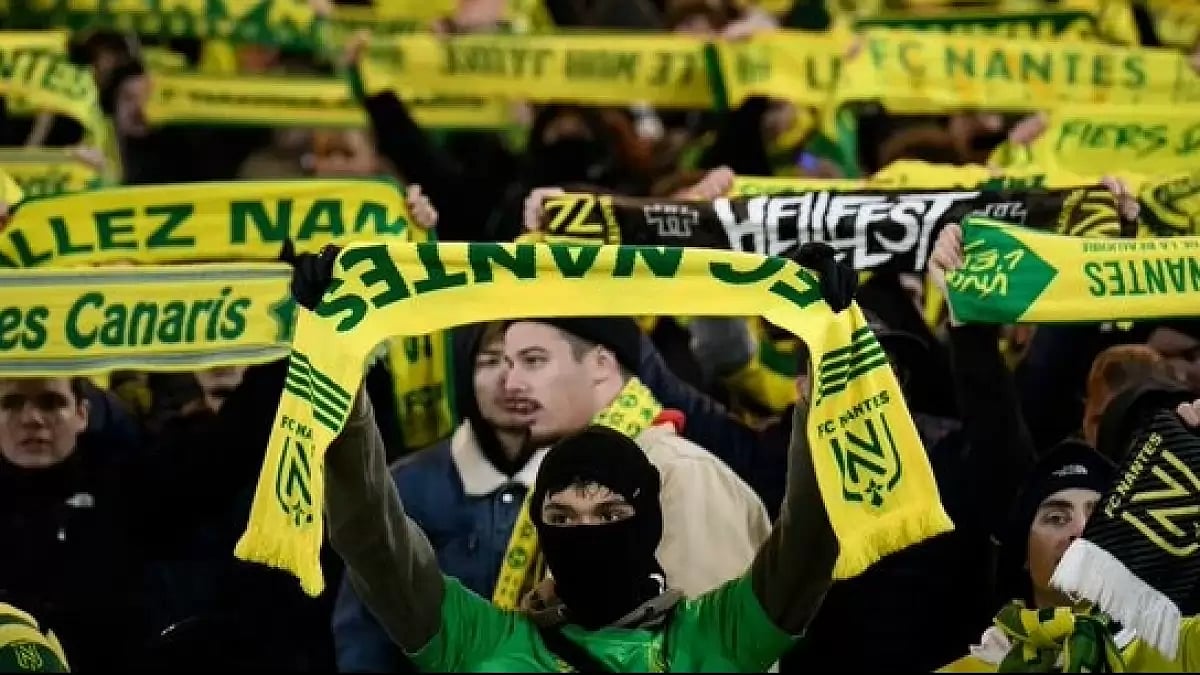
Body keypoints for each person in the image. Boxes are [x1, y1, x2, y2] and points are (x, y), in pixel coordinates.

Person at [321, 243, 861, 671]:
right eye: (560, 518)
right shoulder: (491, 643)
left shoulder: (709, 632)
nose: (511, 381)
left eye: (609, 514)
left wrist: (824, 349)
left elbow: (809, 544)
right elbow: (374, 543)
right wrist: (338, 363)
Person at [500, 315, 772, 598]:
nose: (510, 384)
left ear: (601, 364)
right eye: (509, 364)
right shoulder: (566, 474)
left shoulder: (681, 474)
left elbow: (707, 622)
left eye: (533, 361)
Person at [941, 391, 1200, 672]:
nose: (1079, 531)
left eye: (1095, 515)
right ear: (1024, 555)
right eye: (1056, 518)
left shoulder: (1178, 647)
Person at [0, 377, 148, 671]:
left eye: (51, 403)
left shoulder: (132, 487)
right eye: (11, 404)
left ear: (82, 414)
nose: (32, 419)